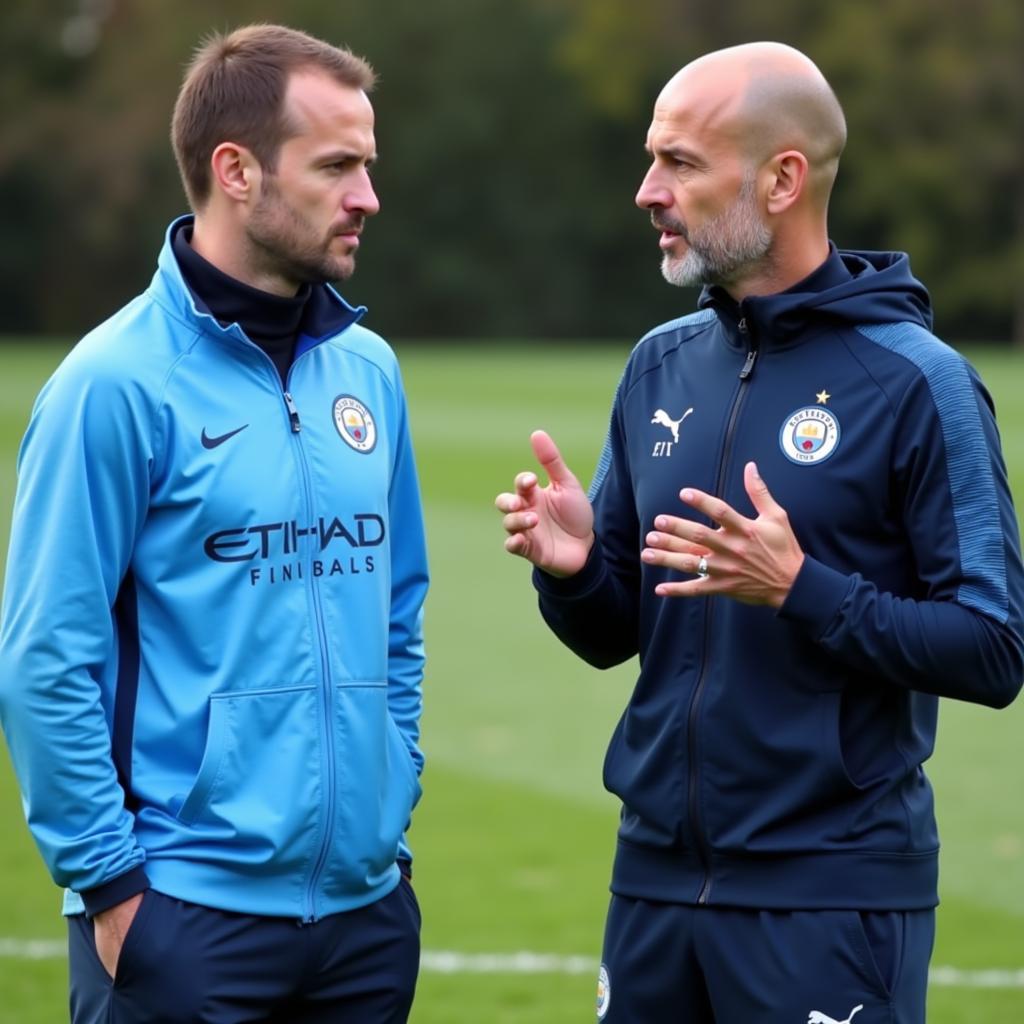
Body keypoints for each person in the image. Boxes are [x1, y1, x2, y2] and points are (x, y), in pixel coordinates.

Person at [496, 41, 1023, 1024]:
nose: (648, 190)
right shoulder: (659, 366)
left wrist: (801, 587)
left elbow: (994, 648)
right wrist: (570, 573)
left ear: (782, 179)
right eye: (651, 159)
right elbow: (616, 630)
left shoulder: (917, 382)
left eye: (681, 163)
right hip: (651, 882)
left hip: (828, 897)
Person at [0, 24, 428, 1024]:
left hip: (365, 920)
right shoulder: (111, 387)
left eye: (367, 164)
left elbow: (397, 610)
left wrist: (388, 798)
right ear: (235, 171)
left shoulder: (371, 372)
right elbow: (44, 657)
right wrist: (112, 890)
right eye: (337, 166)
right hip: (183, 919)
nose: (367, 195)